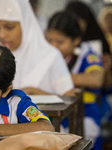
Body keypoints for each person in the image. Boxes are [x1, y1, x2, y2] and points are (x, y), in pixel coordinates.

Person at [0, 0, 75, 96]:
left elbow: (69, 98)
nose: (2, 35)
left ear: (25, 25)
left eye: (9, 27)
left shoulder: (51, 56)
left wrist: (34, 92)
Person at [45, 11, 104, 150]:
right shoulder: (45, 56)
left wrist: (59, 79)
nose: (53, 46)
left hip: (84, 115)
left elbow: (96, 79)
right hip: (57, 116)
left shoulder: (87, 55)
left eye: (60, 42)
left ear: (76, 40)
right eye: (49, 40)